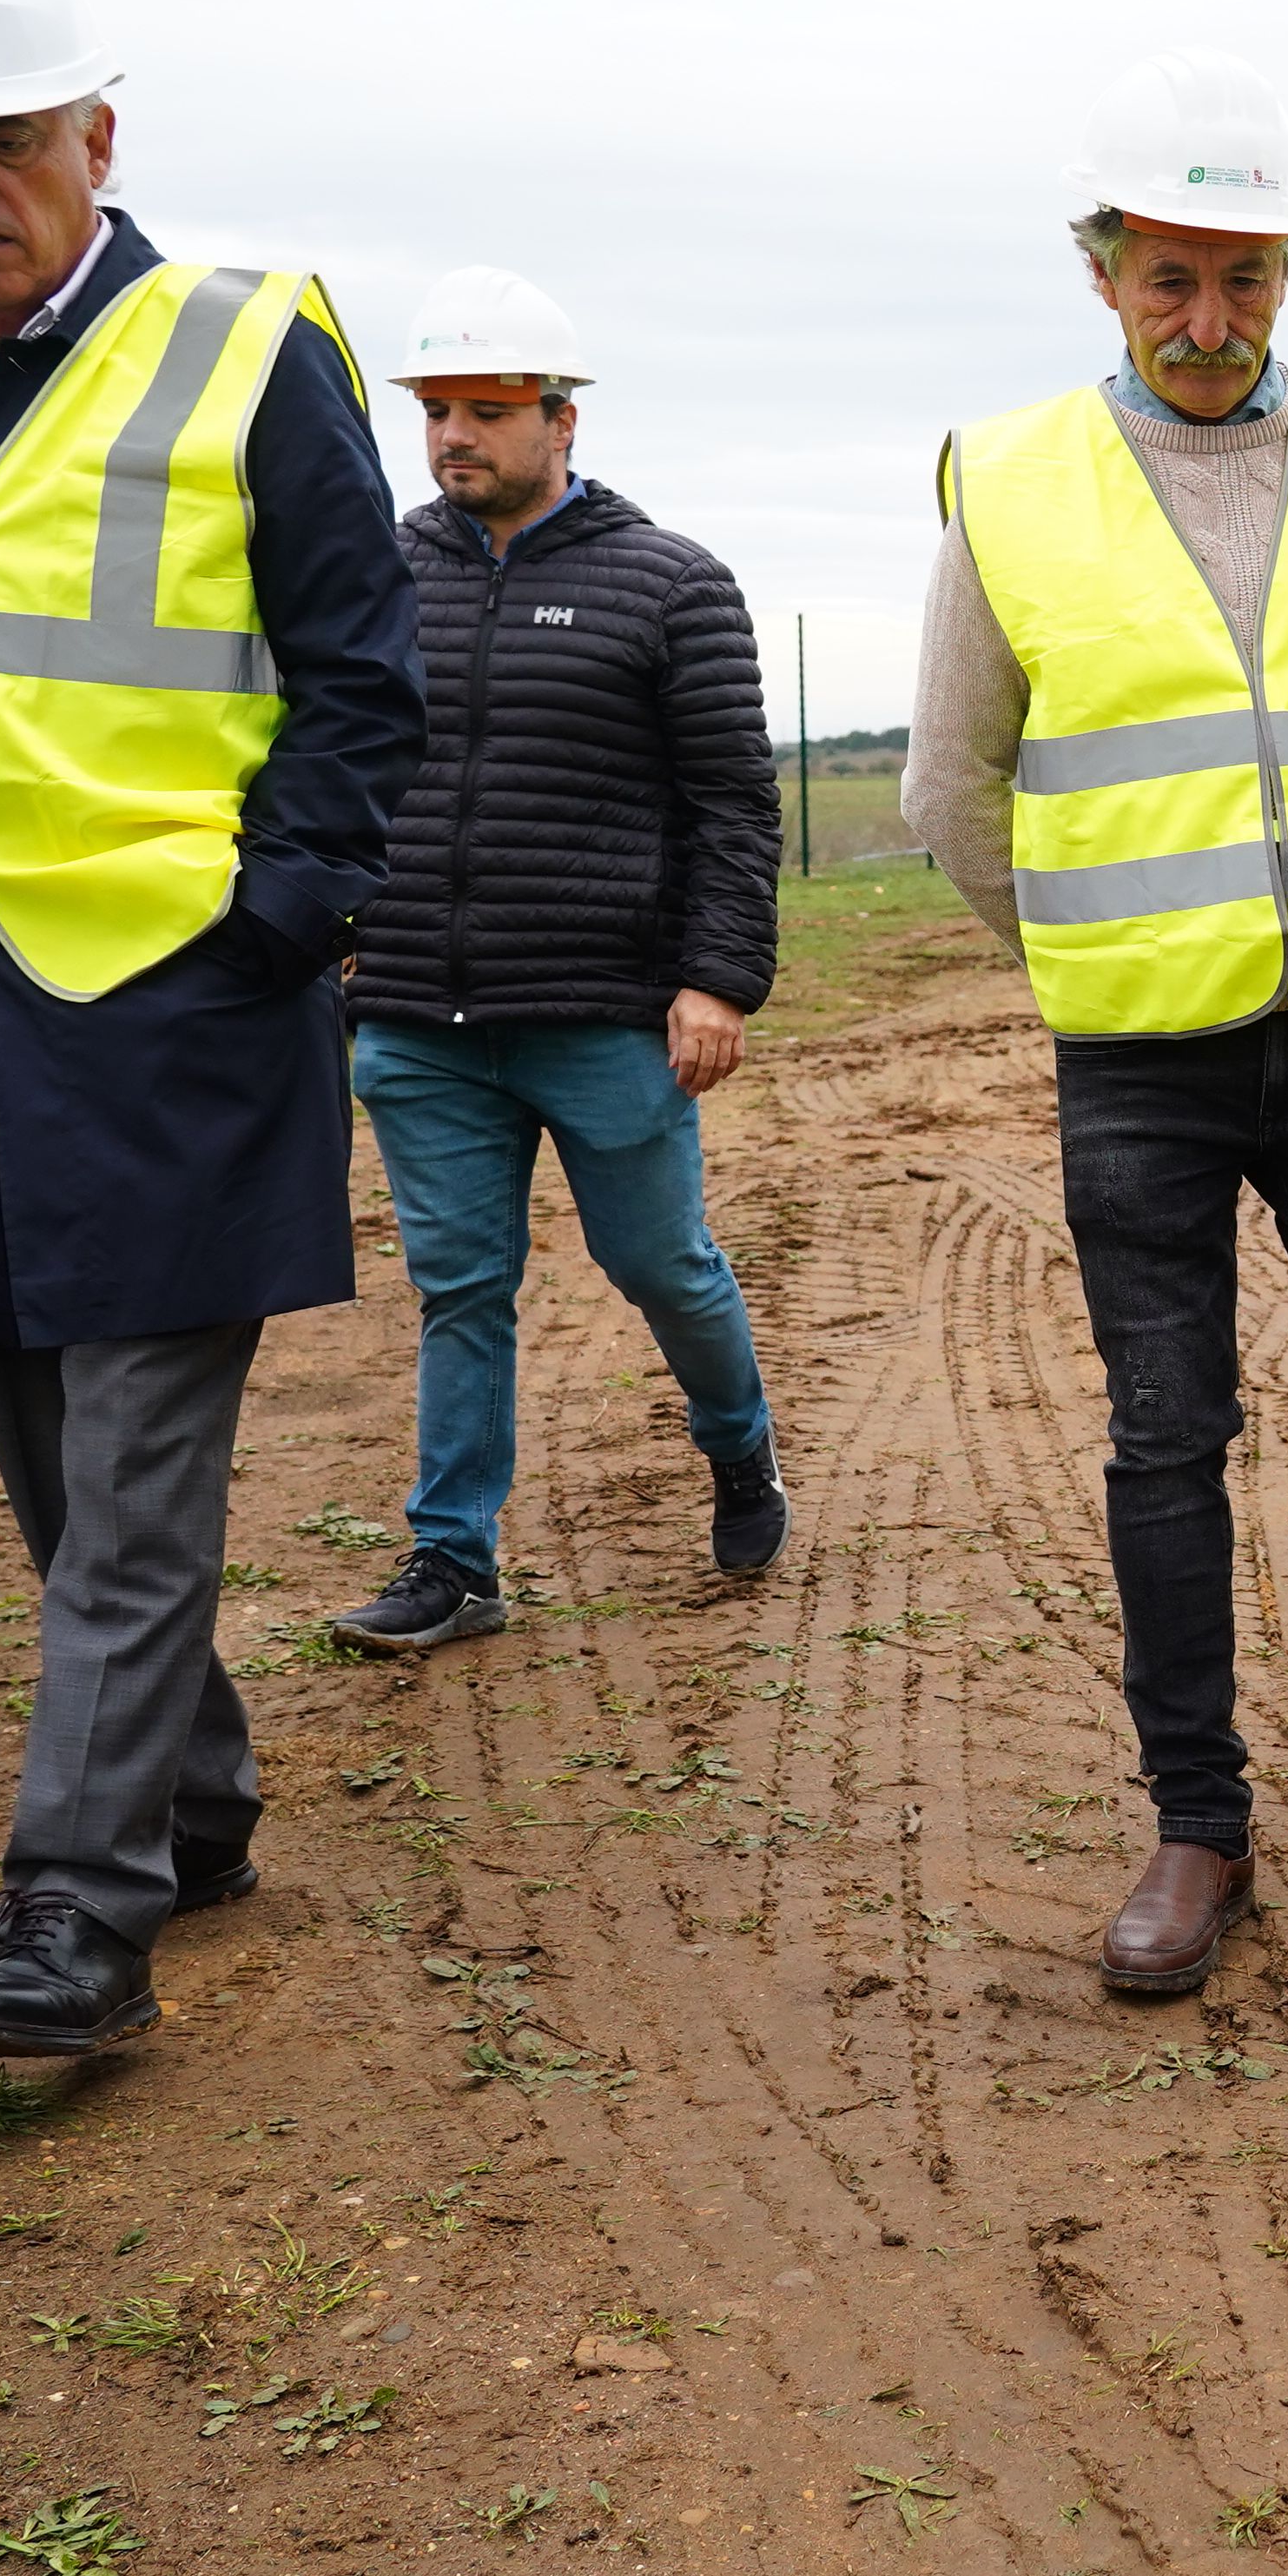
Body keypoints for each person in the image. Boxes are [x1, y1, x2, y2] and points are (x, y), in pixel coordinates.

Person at [0, 0, 425, 2056]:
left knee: (139, 1456)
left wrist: (279, 915)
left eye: (3, 140)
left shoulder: (242, 350)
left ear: (95, 137)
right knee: (48, 1446)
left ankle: (77, 1902)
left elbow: (360, 670)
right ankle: (197, 1795)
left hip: (176, 989)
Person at [907, 48, 1288, 2000]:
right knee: (1169, 1435)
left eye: (1244, 278)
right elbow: (951, 788)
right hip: (1138, 1057)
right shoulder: (1015, 480)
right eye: (1171, 280)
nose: (1210, 322)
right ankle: (1199, 1819)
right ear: (1105, 275)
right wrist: (1088, 945)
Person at [330, 266, 789, 1654]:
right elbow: (322, 767)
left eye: (487, 410)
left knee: (664, 1266)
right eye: (436, 412)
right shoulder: (374, 577)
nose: (454, 436)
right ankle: (453, 1560)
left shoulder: (670, 583)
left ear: (562, 420)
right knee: (460, 1290)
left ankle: (739, 1447)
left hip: (603, 1015)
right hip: (417, 1013)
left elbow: (733, 803)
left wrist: (718, 979)